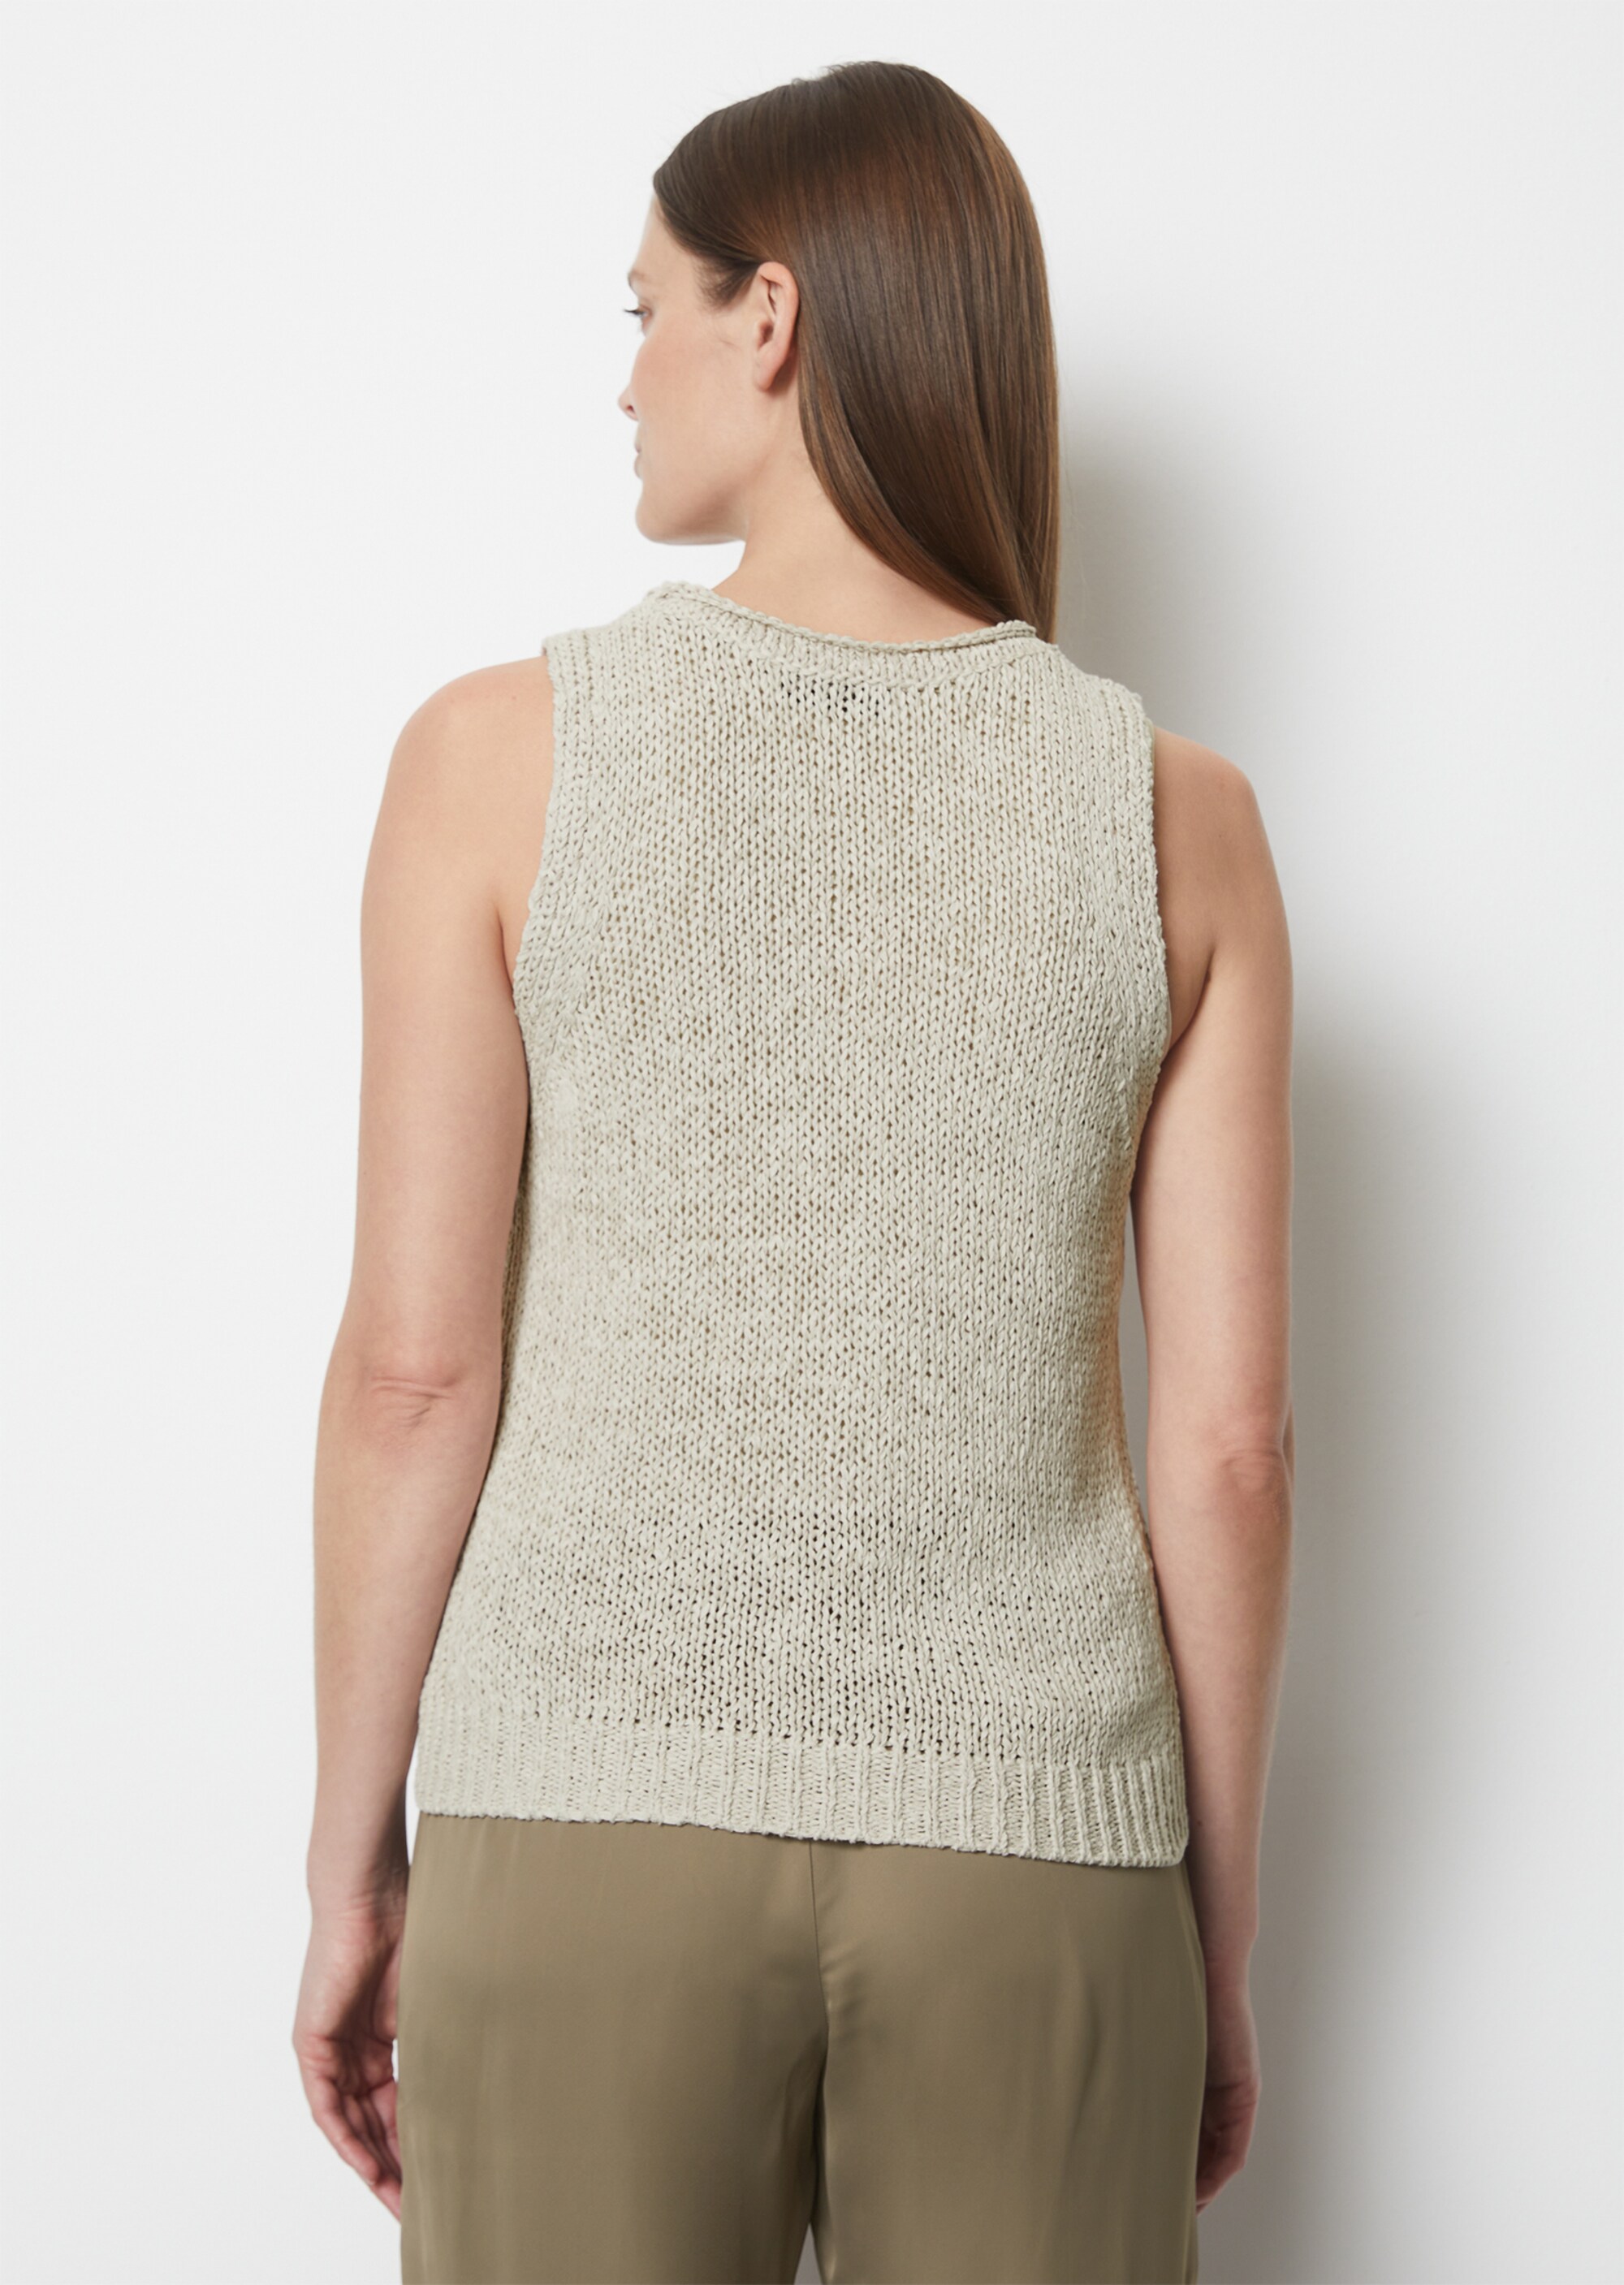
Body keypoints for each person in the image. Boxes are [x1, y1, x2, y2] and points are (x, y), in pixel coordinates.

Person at [292, 58, 1294, 2285]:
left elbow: (415, 1375)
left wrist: (352, 1862)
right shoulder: (1181, 820)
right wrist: (1209, 1929)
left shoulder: (496, 760)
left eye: (644, 307)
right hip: (1042, 1854)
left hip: (581, 1818)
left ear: (773, 316)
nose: (624, 376)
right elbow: (1227, 1450)